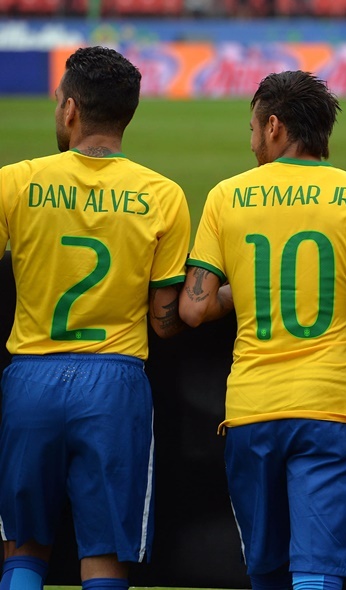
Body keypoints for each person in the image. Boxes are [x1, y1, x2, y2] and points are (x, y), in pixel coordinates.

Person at [178, 70, 346, 590]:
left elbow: (194, 310)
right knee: (319, 570)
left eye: (252, 129)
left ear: (273, 126)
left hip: (250, 410)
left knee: (266, 571)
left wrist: (244, 288)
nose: (251, 141)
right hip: (329, 407)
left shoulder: (226, 196)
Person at [0, 46, 191, 590]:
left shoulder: (14, 182)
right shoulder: (164, 195)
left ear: (70, 109)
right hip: (114, 382)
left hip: (31, 377)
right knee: (105, 550)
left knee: (23, 544)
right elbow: (165, 321)